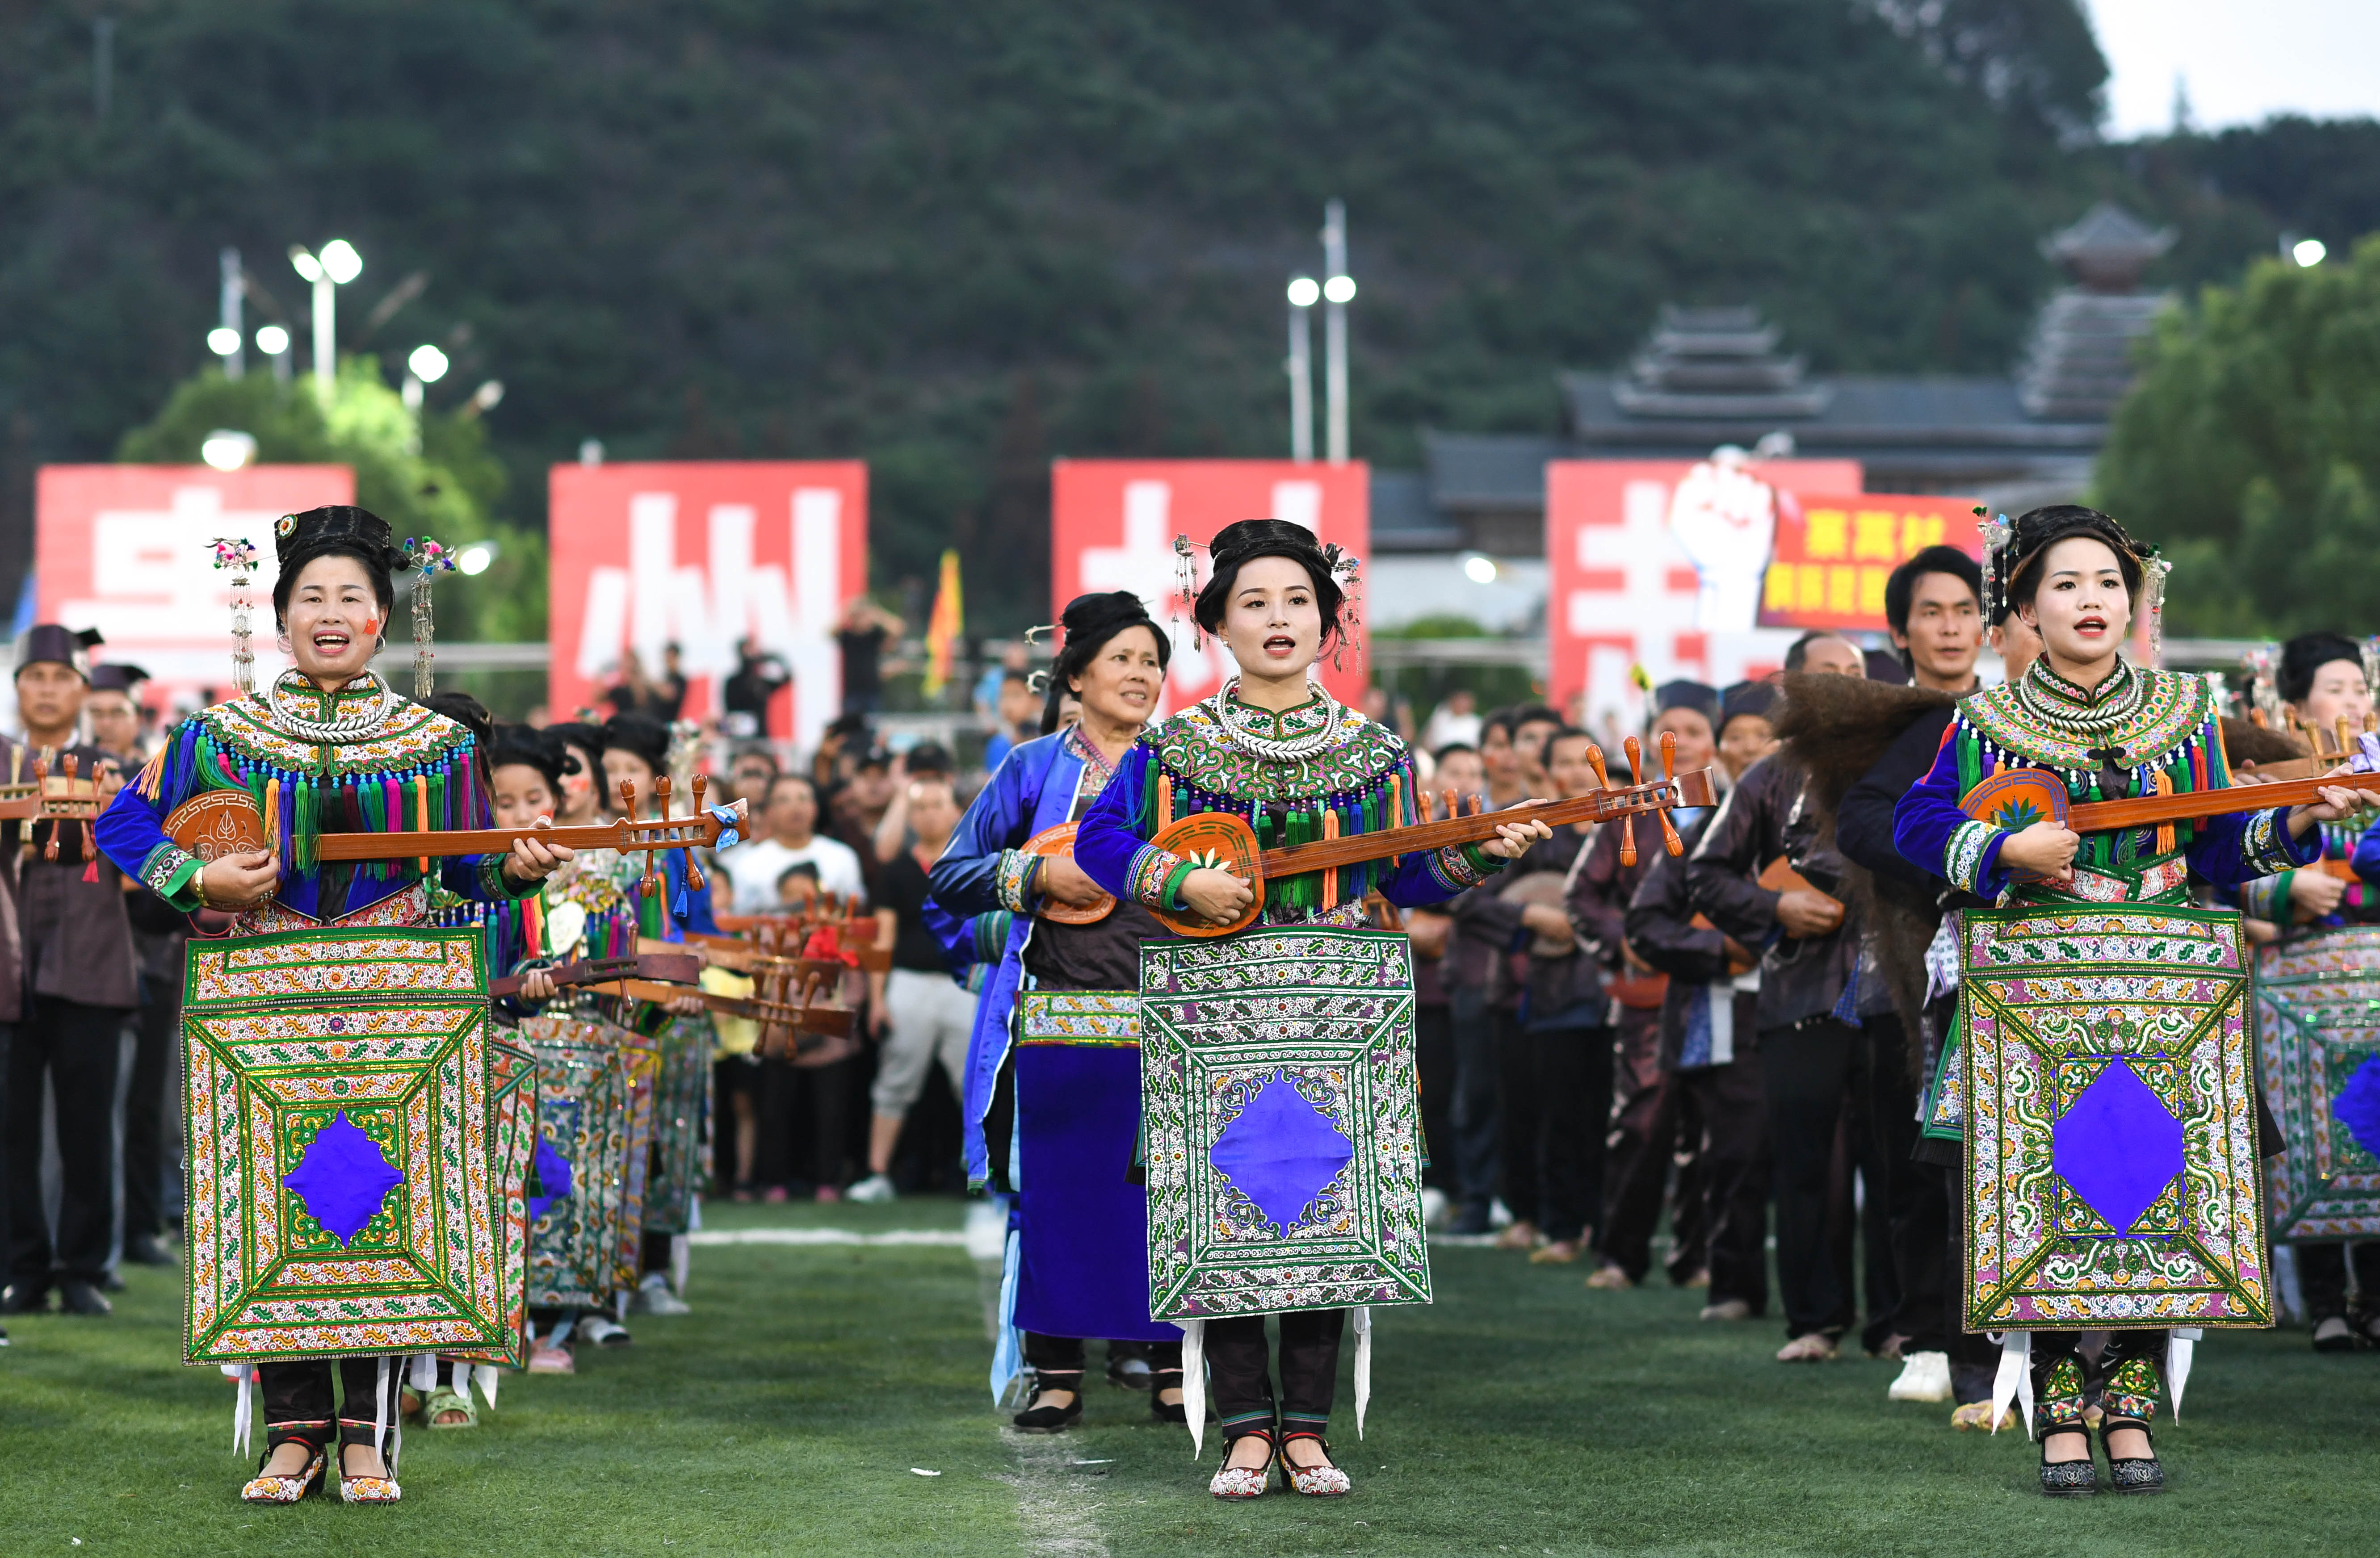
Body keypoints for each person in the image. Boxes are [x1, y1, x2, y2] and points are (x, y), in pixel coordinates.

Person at [1891, 505, 2375, 1495]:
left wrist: (2291, 818)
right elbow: (1914, 820)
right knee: (2052, 1189)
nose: (2089, 602)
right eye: (2064, 585)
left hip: (2167, 982)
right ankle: (2057, 1404)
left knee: (2162, 1186)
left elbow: (2211, 849)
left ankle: (2132, 1400)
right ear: (2021, 605)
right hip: (2036, 990)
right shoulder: (1981, 722)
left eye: (2107, 584)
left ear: (2132, 598)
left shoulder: (2185, 710)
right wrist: (1999, 850)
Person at [93, 506, 571, 1504]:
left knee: (384, 1199)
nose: (330, 611)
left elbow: (472, 878)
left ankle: (368, 1432)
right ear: (278, 618)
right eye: (310, 595)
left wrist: (518, 872)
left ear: (384, 616)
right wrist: (198, 879)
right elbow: (123, 823)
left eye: (352, 595)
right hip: (261, 1002)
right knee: (279, 1202)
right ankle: (292, 1431)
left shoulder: (437, 745)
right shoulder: (219, 735)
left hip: (400, 1005)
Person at [1074, 521, 1548, 1498]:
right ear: (1215, 624)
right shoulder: (1174, 744)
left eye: (1296, 600)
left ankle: (1308, 1432)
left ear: (1328, 619)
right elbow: (1099, 842)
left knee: (1328, 1210)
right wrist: (1171, 879)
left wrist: (1477, 855)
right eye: (1252, 602)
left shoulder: (1374, 750)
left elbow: (1406, 876)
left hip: (1342, 1015)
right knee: (1231, 1209)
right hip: (1212, 1016)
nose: (1276, 618)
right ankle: (1247, 1429)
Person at [929, 591, 1188, 1429]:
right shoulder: (1032, 768)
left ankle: (1173, 1364)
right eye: (1122, 658)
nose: (1141, 674)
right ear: (1075, 676)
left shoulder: (1189, 767)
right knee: (1061, 1196)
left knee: (1170, 1197)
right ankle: (1057, 1372)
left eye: (1152, 660)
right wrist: (1037, 877)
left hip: (1171, 1018)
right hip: (1060, 1021)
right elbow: (949, 873)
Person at [1689, 636, 1910, 1365]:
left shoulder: (1906, 763)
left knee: (1893, 1166)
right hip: (1797, 994)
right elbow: (1705, 873)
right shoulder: (1767, 775)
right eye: (1829, 674)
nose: (1848, 685)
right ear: (1793, 687)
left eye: (1857, 674)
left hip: (1892, 998)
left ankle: (1896, 1323)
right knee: (1804, 1165)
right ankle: (1813, 1321)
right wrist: (1773, 909)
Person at [1621, 682, 1776, 1322]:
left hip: (1815, 1007)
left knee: (1818, 1160)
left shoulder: (1815, 823)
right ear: (1716, 746)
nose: (1746, 749)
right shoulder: (1694, 830)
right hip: (1724, 1014)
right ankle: (1732, 1284)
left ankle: (1825, 1307)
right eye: (1734, 736)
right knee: (1731, 1155)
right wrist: (1720, 953)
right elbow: (1644, 925)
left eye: (1760, 737)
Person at [4, 626, 136, 1319]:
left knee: (89, 1131)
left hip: (92, 964)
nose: (48, 688)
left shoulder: (114, 773)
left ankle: (85, 1268)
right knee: (12, 1131)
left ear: (82, 691)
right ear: (19, 687)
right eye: (36, 677)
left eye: (61, 678)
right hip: (10, 967)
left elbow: (149, 866)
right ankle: (23, 1268)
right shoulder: (2, 762)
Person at [2258, 632, 2380, 1352]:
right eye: (2335, 688)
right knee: (2306, 1132)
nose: (2352, 700)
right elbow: (2228, 870)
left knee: (2370, 1126)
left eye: (2359, 688)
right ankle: (2326, 1300)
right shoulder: (2271, 775)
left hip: (2372, 971)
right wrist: (2286, 886)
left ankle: (2373, 1293)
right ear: (2295, 703)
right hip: (2296, 979)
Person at [1586, 681, 1722, 1291]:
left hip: (1719, 985)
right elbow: (1579, 895)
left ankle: (1694, 1257)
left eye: (1694, 731)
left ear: (1713, 741)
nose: (1683, 743)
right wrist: (1626, 939)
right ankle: (1619, 1255)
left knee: (1708, 1129)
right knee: (1642, 1124)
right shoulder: (1631, 810)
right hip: (1647, 995)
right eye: (1669, 730)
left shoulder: (1736, 807)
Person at [90, 662, 185, 1274]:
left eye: (115, 713)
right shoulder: (69, 778)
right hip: (86, 960)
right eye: (95, 714)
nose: (105, 724)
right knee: (101, 1104)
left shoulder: (153, 784)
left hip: (152, 963)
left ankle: (145, 1221)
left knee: (149, 1102)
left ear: (136, 717)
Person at [849, 774, 976, 1203]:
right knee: (895, 1080)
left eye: (937, 804)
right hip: (909, 984)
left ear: (956, 811)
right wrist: (877, 999)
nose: (927, 814)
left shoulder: (976, 863)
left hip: (967, 983)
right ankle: (877, 1172)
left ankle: (985, 1172)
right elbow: (881, 939)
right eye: (919, 806)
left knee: (976, 1082)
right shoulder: (897, 870)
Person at [722, 773, 865, 915]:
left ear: (816, 807)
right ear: (769, 811)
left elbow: (854, 910)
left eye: (803, 799)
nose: (795, 807)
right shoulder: (748, 864)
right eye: (784, 800)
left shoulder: (842, 857)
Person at [836, 597, 902, 716]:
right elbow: (830, 631)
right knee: (852, 728)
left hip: (872, 691)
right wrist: (848, 612)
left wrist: (878, 615)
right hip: (852, 692)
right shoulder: (848, 637)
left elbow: (898, 628)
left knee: (871, 727)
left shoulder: (874, 636)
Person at [722, 637, 790, 740]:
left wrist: (778, 660)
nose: (751, 654)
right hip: (738, 740)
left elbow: (787, 679)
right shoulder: (732, 682)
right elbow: (728, 712)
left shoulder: (762, 682)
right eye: (748, 650)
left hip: (761, 738)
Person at [982, 669, 1040, 773]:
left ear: (1036, 701)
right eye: (1004, 695)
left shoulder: (1044, 740)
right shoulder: (999, 744)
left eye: (1016, 695)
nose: (1008, 703)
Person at [1420, 687, 1483, 751]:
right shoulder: (1440, 718)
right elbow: (1427, 742)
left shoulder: (1477, 723)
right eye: (1459, 700)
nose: (1461, 704)